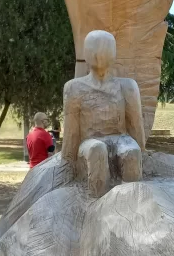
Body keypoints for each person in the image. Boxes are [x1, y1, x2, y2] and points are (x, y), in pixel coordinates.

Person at [61, 30, 145, 197]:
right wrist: (66, 162)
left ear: (113, 53)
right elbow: (71, 132)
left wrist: (142, 150)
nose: (100, 54)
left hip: (120, 138)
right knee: (96, 149)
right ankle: (97, 202)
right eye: (95, 48)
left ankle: (132, 202)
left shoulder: (127, 86)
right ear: (86, 53)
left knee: (131, 152)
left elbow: (136, 125)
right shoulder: (74, 88)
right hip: (90, 142)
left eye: (106, 49)